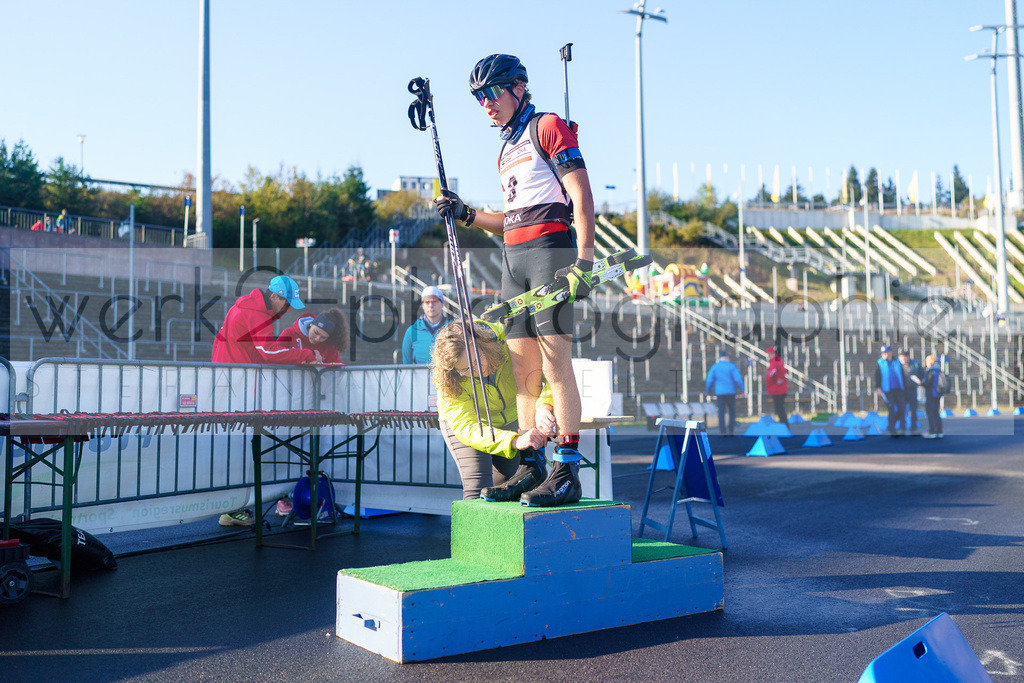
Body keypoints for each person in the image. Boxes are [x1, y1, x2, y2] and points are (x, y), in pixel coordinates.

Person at [433, 54, 596, 507]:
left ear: (518, 88)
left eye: (492, 92)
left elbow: (581, 195)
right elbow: (510, 219)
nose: (486, 103)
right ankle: (532, 465)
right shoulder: (505, 148)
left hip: (550, 252)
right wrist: (466, 213)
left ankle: (567, 469)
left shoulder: (548, 126)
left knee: (554, 365)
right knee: (524, 371)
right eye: (479, 97)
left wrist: (584, 261)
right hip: (514, 259)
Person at [432, 320, 556, 502]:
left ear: (482, 343)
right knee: (477, 489)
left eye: (477, 359)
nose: (478, 370)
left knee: (516, 484)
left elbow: (550, 371)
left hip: (513, 417)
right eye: (466, 369)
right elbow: (466, 426)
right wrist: (513, 440)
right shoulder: (448, 378)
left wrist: (544, 405)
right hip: (472, 426)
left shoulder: (507, 338)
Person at [212, 274, 321, 366]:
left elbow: (218, 341)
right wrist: (308, 354)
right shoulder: (259, 315)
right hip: (239, 375)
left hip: (223, 370)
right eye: (287, 305)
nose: (288, 310)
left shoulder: (239, 307)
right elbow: (268, 351)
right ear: (273, 297)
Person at [277, 307, 349, 364]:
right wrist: (305, 355)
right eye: (316, 332)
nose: (317, 339)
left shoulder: (329, 343)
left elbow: (335, 369)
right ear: (311, 324)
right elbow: (275, 354)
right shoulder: (289, 333)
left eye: (323, 337)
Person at [401, 286, 452, 364]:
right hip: (419, 372)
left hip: (445, 372)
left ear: (442, 304)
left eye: (434, 302)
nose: (431, 305)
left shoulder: (452, 329)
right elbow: (406, 364)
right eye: (427, 302)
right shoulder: (412, 331)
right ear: (423, 305)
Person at [705, 349, 745, 436]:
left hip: (720, 393)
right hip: (731, 392)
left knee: (721, 412)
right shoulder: (731, 366)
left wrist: (708, 391)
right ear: (727, 356)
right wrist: (742, 390)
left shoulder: (715, 366)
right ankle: (731, 430)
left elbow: (709, 380)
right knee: (732, 411)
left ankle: (722, 431)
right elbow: (738, 379)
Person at [874, 344, 905, 437]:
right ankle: (892, 428)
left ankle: (891, 424)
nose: (883, 355)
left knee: (901, 409)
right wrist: (878, 388)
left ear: (890, 352)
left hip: (898, 389)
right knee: (891, 408)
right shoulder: (880, 363)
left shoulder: (897, 361)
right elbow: (877, 376)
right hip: (887, 390)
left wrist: (904, 386)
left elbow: (902, 374)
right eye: (882, 353)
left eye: (885, 353)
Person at [899, 349, 924, 435]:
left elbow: (922, 373)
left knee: (913, 410)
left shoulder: (915, 364)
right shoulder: (898, 365)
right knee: (902, 410)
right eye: (902, 358)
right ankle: (902, 428)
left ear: (908, 357)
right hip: (902, 391)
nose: (903, 359)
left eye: (905, 357)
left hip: (913, 390)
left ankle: (914, 429)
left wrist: (921, 380)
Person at [765, 346, 789, 425]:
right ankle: (784, 425)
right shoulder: (779, 360)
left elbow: (772, 373)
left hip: (777, 389)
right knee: (780, 408)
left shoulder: (774, 361)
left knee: (779, 409)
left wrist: (775, 379)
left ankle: (784, 425)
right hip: (780, 389)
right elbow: (783, 371)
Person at [922, 354, 944, 439]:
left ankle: (932, 431)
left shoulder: (931, 371)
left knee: (930, 413)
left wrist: (921, 383)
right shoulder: (938, 370)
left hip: (931, 393)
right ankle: (939, 431)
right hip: (938, 394)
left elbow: (928, 383)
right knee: (936, 413)